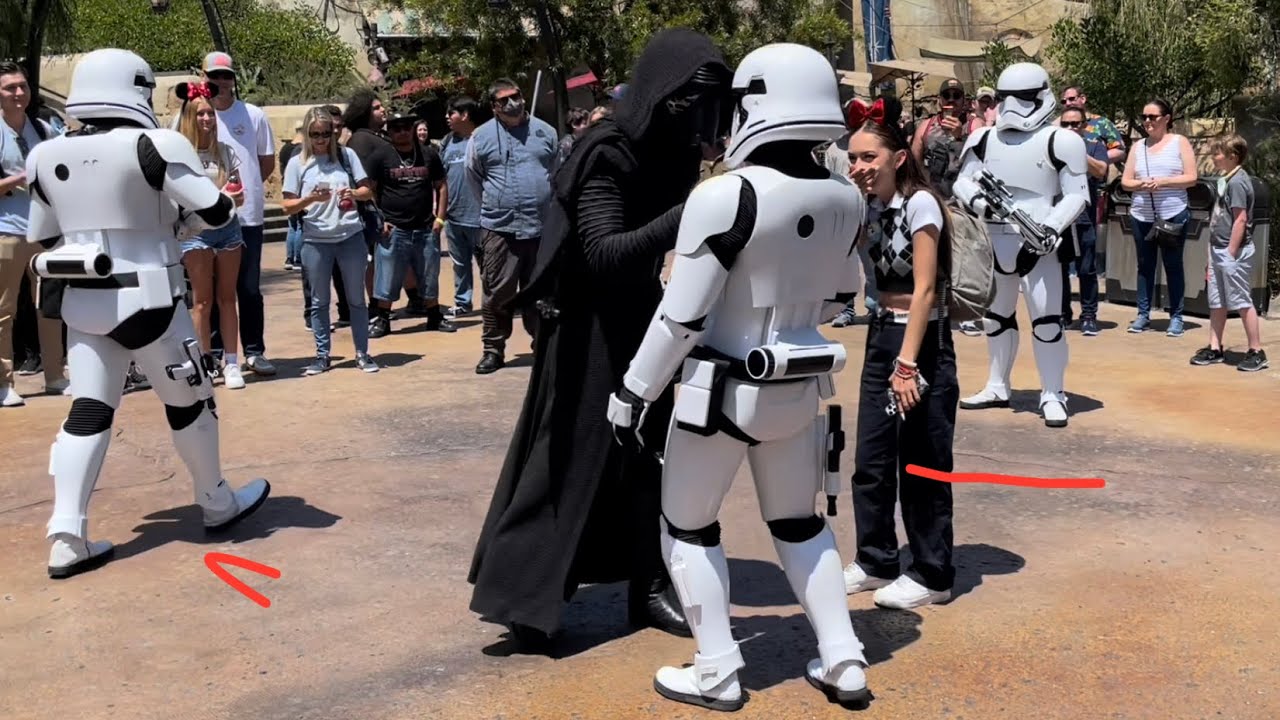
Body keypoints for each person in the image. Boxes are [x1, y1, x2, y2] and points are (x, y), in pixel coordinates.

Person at [607, 43, 874, 711]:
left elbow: (681, 317)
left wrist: (634, 392)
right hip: (798, 388)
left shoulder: (726, 194)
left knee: (688, 528)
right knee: (801, 525)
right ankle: (844, 658)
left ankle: (718, 669)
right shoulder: (846, 196)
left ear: (754, 102)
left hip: (718, 391)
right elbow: (847, 294)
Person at [468, 28, 732, 649]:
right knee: (566, 462)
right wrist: (696, 209)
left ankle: (647, 586)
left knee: (647, 459)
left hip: (642, 314)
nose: (695, 114)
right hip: (585, 325)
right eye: (687, 99)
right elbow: (606, 253)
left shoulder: (676, 150)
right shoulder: (606, 152)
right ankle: (525, 597)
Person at [26, 49, 269, 578]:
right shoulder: (154, 143)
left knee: (87, 412)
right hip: (152, 298)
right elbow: (218, 210)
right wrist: (182, 222)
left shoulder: (46, 153)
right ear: (136, 86)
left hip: (85, 302)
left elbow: (41, 235)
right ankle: (215, 501)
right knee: (191, 405)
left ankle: (67, 533)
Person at [841, 98, 960, 611]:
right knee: (871, 457)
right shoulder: (866, 208)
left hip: (922, 342)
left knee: (921, 460)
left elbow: (927, 289)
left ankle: (933, 572)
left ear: (896, 158)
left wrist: (907, 364)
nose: (859, 167)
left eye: (869, 157)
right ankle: (876, 559)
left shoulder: (921, 204)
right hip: (880, 335)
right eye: (853, 158)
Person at [952, 63, 1090, 428]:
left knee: (1047, 322)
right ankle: (998, 385)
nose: (1013, 106)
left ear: (1042, 96)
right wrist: (982, 203)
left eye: (1023, 98)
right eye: (1005, 98)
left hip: (1038, 241)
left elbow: (1077, 196)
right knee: (995, 318)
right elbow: (962, 183)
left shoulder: (1061, 140)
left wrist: (1049, 227)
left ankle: (1052, 392)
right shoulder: (982, 138)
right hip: (993, 237)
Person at [465, 78, 559, 374]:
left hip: (541, 229)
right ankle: (493, 348)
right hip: (500, 229)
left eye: (516, 96)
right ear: (494, 107)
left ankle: (542, 345)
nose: (512, 103)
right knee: (496, 291)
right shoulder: (480, 137)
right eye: (504, 100)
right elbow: (473, 177)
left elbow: (555, 175)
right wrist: (498, 205)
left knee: (541, 291)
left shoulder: (546, 132)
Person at [282, 106, 379, 376]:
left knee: (356, 299)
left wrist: (354, 193)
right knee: (318, 301)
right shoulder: (297, 163)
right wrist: (311, 199)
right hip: (315, 239)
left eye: (327, 133)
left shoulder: (347, 156)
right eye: (315, 134)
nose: (322, 139)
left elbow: (368, 190)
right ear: (307, 134)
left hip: (350, 235)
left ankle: (362, 353)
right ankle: (322, 355)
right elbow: (287, 205)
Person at [200, 52, 277, 376]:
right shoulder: (197, 116)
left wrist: (243, 190)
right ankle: (217, 354)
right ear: (204, 79)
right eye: (214, 77)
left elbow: (265, 162)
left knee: (248, 288)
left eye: (226, 76)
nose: (221, 82)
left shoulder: (254, 115)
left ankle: (254, 351)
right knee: (212, 289)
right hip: (206, 218)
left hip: (246, 216)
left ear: (233, 79)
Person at [1, 60, 68, 407]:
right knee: (4, 311)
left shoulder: (42, 128)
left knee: (49, 305)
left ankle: (55, 375)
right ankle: (3, 383)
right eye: (10, 88)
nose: (17, 93)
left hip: (44, 232)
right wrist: (19, 179)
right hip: (6, 232)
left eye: (22, 86)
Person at [173, 81, 247, 389]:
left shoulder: (225, 152)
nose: (207, 119)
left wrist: (235, 194)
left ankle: (232, 363)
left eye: (210, 114)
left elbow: (238, 192)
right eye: (200, 114)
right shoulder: (179, 154)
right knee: (201, 302)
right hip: (195, 232)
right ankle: (203, 363)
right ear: (190, 117)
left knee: (228, 298)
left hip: (228, 230)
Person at [1119, 98, 1198, 336]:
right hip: (1142, 215)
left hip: (1173, 215)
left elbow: (1192, 177)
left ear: (1166, 119)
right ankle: (1143, 314)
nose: (1147, 122)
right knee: (1145, 266)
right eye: (1144, 117)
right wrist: (1141, 184)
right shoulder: (1138, 147)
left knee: (1173, 265)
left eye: (1152, 117)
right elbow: (1125, 181)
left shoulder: (1179, 142)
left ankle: (1176, 316)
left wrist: (1163, 182)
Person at [367, 111, 449, 337]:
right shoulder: (380, 156)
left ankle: (434, 316)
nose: (402, 132)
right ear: (389, 131)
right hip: (394, 229)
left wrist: (440, 218)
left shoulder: (429, 154)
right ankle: (383, 320)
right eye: (396, 128)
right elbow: (369, 191)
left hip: (425, 227)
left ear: (413, 129)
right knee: (387, 276)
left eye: (406, 127)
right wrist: (379, 220)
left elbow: (441, 186)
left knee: (430, 275)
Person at [1191, 135, 1267, 372]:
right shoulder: (1226, 180)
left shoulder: (1237, 183)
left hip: (1230, 251)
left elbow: (1240, 219)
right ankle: (1215, 346)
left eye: (1218, 153)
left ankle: (1256, 350)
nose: (1214, 157)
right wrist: (1212, 253)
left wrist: (1230, 254)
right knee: (1217, 301)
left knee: (1242, 301)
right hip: (1218, 248)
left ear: (1233, 157)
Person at [441, 96, 482, 317]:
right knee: (459, 264)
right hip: (453, 216)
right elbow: (440, 178)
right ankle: (463, 303)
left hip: (481, 217)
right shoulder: (447, 142)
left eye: (451, 113)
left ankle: (494, 302)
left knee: (489, 265)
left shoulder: (482, 138)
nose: (447, 117)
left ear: (465, 115)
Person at [911, 78, 984, 198]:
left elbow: (981, 162)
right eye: (946, 95)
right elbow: (915, 163)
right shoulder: (926, 126)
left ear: (964, 100)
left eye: (956, 96)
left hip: (964, 198)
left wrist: (960, 137)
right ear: (939, 100)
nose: (951, 100)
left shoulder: (974, 125)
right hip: (934, 196)